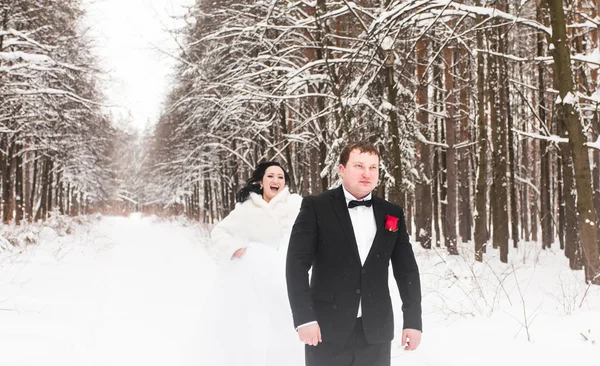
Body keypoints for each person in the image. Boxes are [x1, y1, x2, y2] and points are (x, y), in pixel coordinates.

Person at [286, 141, 422, 366]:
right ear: (341, 169)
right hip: (325, 329)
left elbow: (406, 271)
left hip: (376, 331)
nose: (367, 173)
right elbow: (296, 265)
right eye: (359, 166)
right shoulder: (315, 206)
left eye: (373, 167)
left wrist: (413, 321)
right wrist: (304, 318)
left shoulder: (392, 213)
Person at [198, 161, 304, 366]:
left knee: (286, 328)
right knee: (254, 331)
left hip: (286, 275)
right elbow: (219, 232)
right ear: (261, 181)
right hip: (252, 279)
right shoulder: (247, 207)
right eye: (270, 176)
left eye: (281, 177)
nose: (276, 180)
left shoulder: (295, 204)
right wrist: (236, 249)